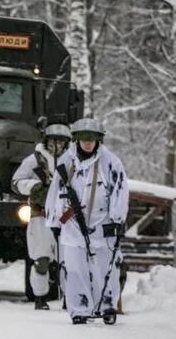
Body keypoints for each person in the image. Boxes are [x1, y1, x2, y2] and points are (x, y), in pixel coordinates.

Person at [45, 118, 129, 325]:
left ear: (98, 140)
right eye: (84, 139)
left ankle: (107, 305)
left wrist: (118, 219)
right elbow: (55, 193)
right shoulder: (66, 162)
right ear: (77, 140)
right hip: (72, 224)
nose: (88, 143)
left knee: (106, 267)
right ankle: (79, 309)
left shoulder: (111, 163)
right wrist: (54, 221)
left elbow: (120, 190)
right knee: (74, 269)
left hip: (103, 224)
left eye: (92, 139)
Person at [12, 123, 71, 310]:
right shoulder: (34, 160)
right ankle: (40, 297)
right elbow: (16, 182)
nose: (57, 145)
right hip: (41, 215)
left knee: (68, 261)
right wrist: (34, 187)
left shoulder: (72, 160)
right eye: (54, 140)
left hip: (66, 216)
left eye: (61, 141)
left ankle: (70, 297)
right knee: (41, 261)